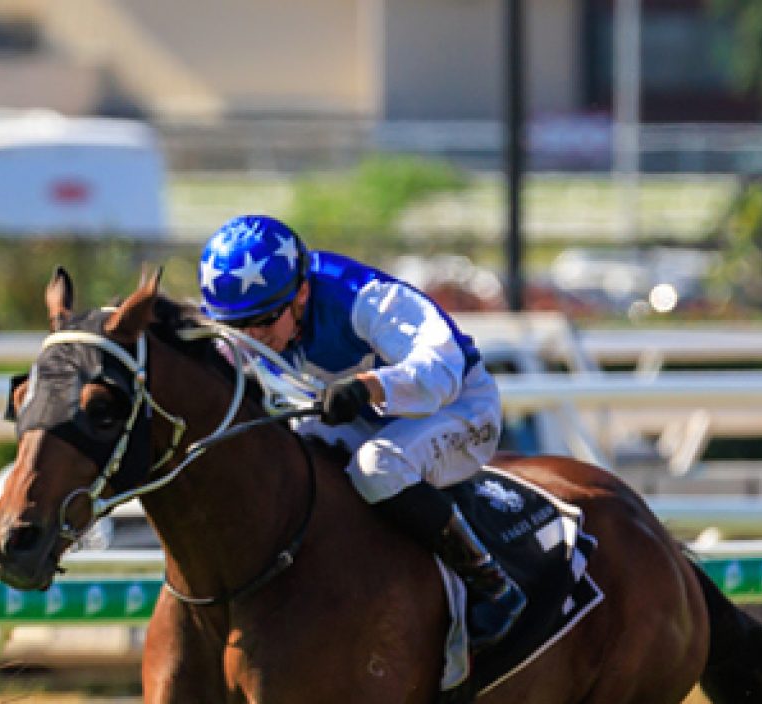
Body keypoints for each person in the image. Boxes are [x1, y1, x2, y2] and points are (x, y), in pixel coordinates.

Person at [197, 214, 526, 647]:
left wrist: (369, 388)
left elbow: (442, 370)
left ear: (301, 292)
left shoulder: (362, 299)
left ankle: (491, 583)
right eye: (240, 325)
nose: (253, 336)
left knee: (377, 467)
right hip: (366, 419)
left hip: (458, 406)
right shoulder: (252, 325)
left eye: (264, 319)